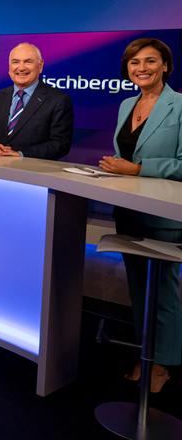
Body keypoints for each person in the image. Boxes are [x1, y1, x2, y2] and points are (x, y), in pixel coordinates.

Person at [98, 38, 182, 393]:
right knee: (139, 288)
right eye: (134, 63)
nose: (141, 68)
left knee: (164, 292)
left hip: (164, 216)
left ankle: (163, 364)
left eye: (150, 61)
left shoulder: (179, 106)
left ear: (165, 65)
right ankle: (147, 351)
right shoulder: (126, 104)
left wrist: (137, 169)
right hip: (130, 209)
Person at [0, 42, 73, 159]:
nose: (21, 67)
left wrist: (21, 154)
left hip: (32, 173)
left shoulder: (58, 100)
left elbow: (60, 144)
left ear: (40, 65)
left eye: (28, 61)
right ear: (9, 67)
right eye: (15, 62)